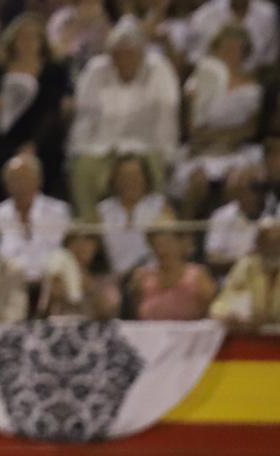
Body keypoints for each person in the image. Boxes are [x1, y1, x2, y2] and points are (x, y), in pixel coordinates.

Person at [66, 22, 181, 221]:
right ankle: (90, 231)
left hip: (146, 147)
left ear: (141, 54)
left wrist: (168, 156)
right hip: (102, 147)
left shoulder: (160, 69)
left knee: (155, 166)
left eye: (131, 55)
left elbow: (166, 119)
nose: (125, 61)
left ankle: (156, 227)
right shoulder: (95, 70)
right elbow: (84, 119)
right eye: (119, 55)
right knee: (82, 168)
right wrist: (77, 151)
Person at [0, 14, 71, 205]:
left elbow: (53, 111)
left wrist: (34, 143)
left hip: (41, 138)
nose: (27, 43)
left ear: (42, 42)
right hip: (2, 138)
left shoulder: (54, 70)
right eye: (22, 37)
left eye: (33, 37)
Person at [174, 25, 263, 218]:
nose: (230, 54)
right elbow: (193, 129)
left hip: (236, 151)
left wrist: (224, 138)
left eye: (235, 50)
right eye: (225, 49)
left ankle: (226, 232)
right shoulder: (198, 82)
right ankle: (184, 233)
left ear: (245, 53)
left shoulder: (253, 86)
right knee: (199, 181)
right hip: (202, 151)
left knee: (236, 182)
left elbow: (250, 129)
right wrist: (223, 137)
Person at [0, 153, 71, 285]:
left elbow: (66, 251)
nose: (21, 184)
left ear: (38, 180)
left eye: (25, 178)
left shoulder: (59, 212)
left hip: (51, 282)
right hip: (9, 283)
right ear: (6, 185)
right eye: (15, 179)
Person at [128, 219, 215, 320]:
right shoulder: (142, 276)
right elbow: (136, 315)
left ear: (181, 244)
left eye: (168, 243)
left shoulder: (198, 275)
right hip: (151, 332)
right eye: (157, 244)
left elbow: (212, 311)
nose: (162, 249)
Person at [96, 154, 166, 277]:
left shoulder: (160, 206)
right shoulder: (103, 210)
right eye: (124, 176)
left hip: (155, 277)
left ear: (146, 178)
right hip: (116, 280)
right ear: (114, 179)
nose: (130, 181)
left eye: (136, 176)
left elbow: (171, 247)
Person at [211, 218, 280, 330]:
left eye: (277, 244)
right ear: (258, 244)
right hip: (252, 333)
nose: (273, 250)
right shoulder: (246, 266)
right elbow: (223, 303)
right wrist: (229, 315)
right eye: (268, 243)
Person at [38, 229, 120, 319]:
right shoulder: (56, 271)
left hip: (93, 327)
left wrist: (90, 286)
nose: (80, 246)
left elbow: (107, 310)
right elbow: (44, 310)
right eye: (75, 240)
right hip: (61, 324)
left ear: (96, 247)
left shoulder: (106, 277)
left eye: (87, 241)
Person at [205, 164, 265, 274]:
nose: (256, 195)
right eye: (251, 189)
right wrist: (246, 262)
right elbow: (212, 258)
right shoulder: (221, 215)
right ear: (237, 191)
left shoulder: (275, 213)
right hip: (231, 281)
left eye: (259, 189)